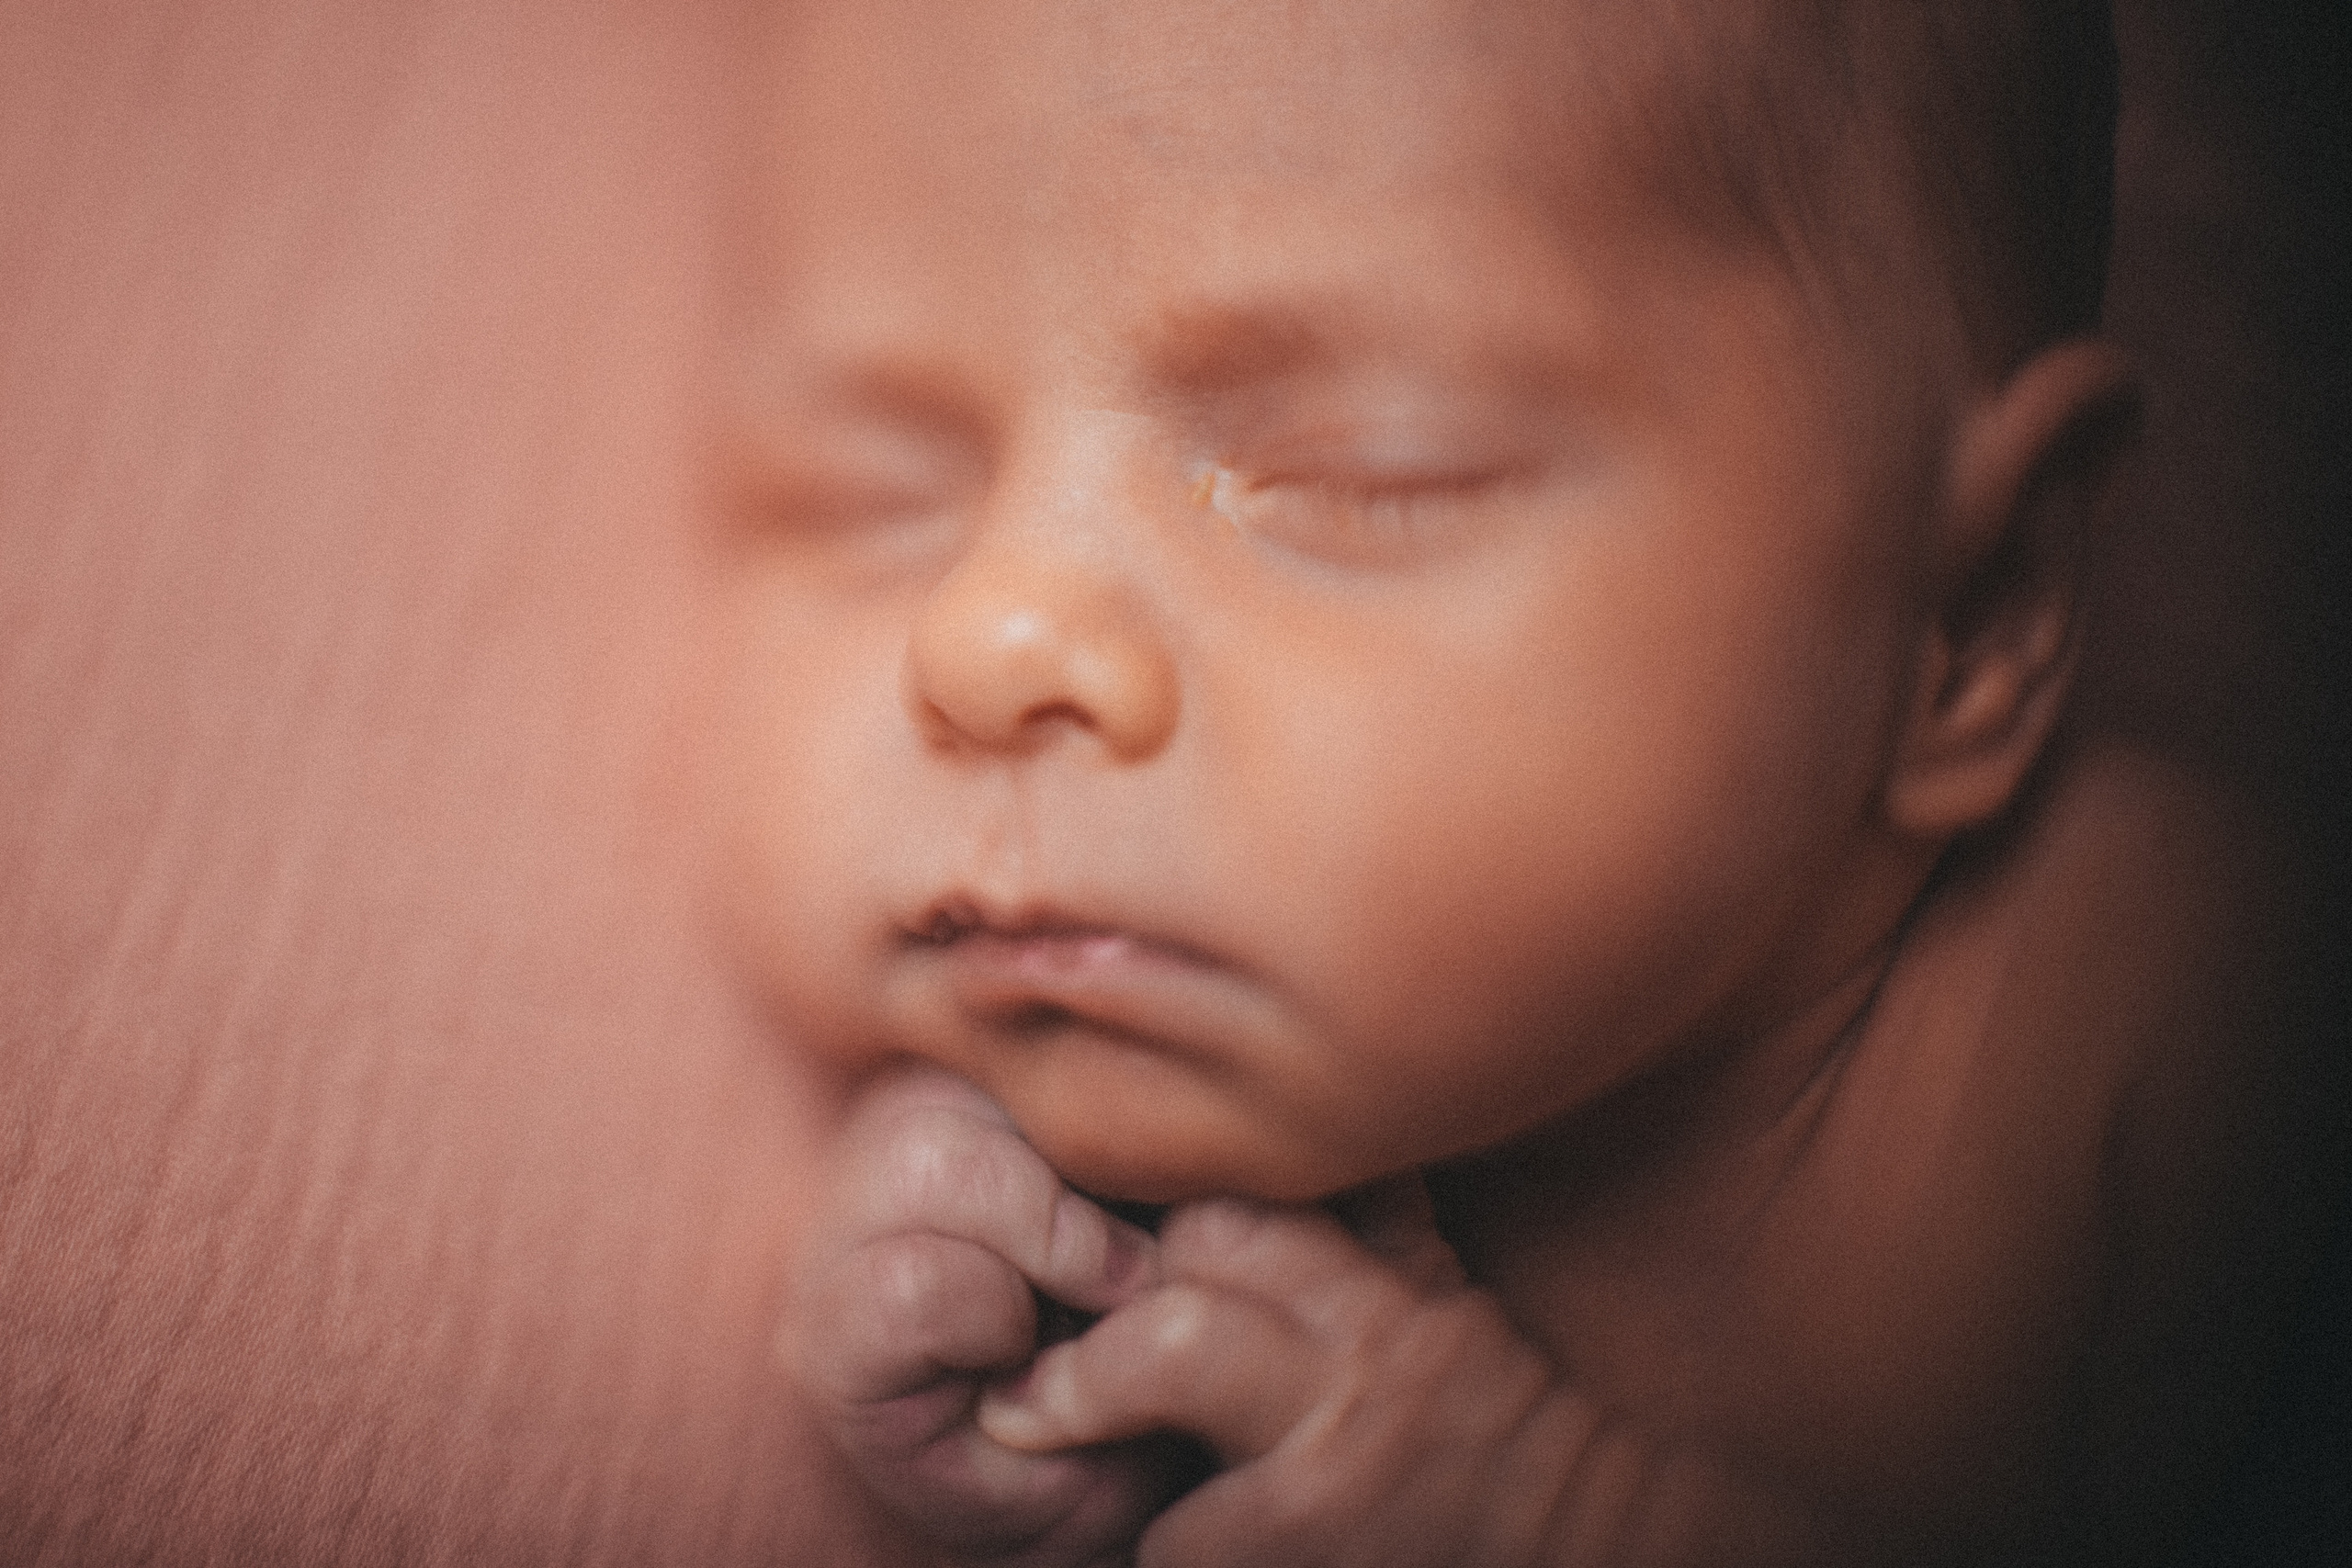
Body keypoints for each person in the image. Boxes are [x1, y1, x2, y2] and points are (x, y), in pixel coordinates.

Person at [713, 1, 2319, 1562]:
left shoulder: (2195, 1032)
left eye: (1361, 472)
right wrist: (1000, 1369)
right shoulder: (1087, 1088)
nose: (985, 638)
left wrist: (1561, 1516)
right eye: (879, 495)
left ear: (1968, 613)